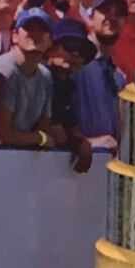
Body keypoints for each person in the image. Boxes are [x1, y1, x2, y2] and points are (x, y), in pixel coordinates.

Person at [0, 8, 64, 150]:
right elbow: (3, 134)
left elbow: (44, 126)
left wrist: (41, 137)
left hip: (22, 154)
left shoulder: (45, 76)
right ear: (15, 36)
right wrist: (39, 138)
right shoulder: (5, 70)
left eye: (42, 30)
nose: (36, 34)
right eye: (29, 29)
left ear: (50, 41)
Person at [73, 0, 127, 143]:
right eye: (106, 11)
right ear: (91, 18)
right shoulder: (76, 61)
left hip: (107, 153)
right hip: (75, 153)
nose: (112, 17)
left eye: (119, 14)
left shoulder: (118, 75)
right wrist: (87, 142)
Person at [46, 18, 95, 173]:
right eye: (69, 46)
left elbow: (72, 127)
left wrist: (82, 141)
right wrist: (80, 144)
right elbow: (54, 130)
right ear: (51, 46)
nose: (75, 54)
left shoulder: (67, 85)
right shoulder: (42, 78)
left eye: (82, 50)